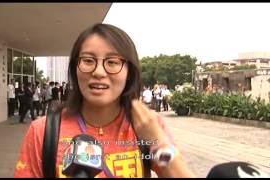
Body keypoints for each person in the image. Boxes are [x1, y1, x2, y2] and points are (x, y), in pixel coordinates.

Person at [14, 23, 195, 178]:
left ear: (129, 72)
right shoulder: (43, 131)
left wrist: (158, 141)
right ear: (74, 69)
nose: (99, 72)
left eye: (112, 62)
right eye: (88, 60)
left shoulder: (148, 126)